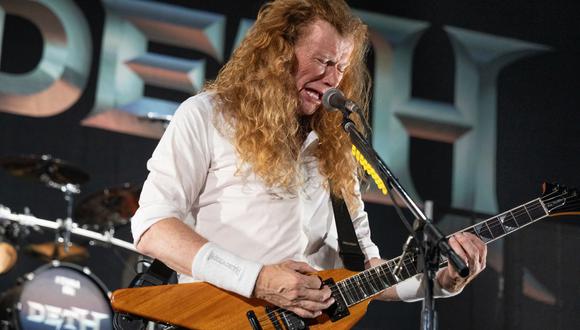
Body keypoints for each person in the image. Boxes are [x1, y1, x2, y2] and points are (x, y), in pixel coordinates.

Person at [131, 0, 487, 320]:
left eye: (341, 67)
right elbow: (153, 228)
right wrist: (259, 280)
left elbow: (364, 268)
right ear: (278, 53)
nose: (333, 79)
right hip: (215, 320)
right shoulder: (207, 116)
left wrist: (439, 280)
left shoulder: (336, 149)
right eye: (323, 61)